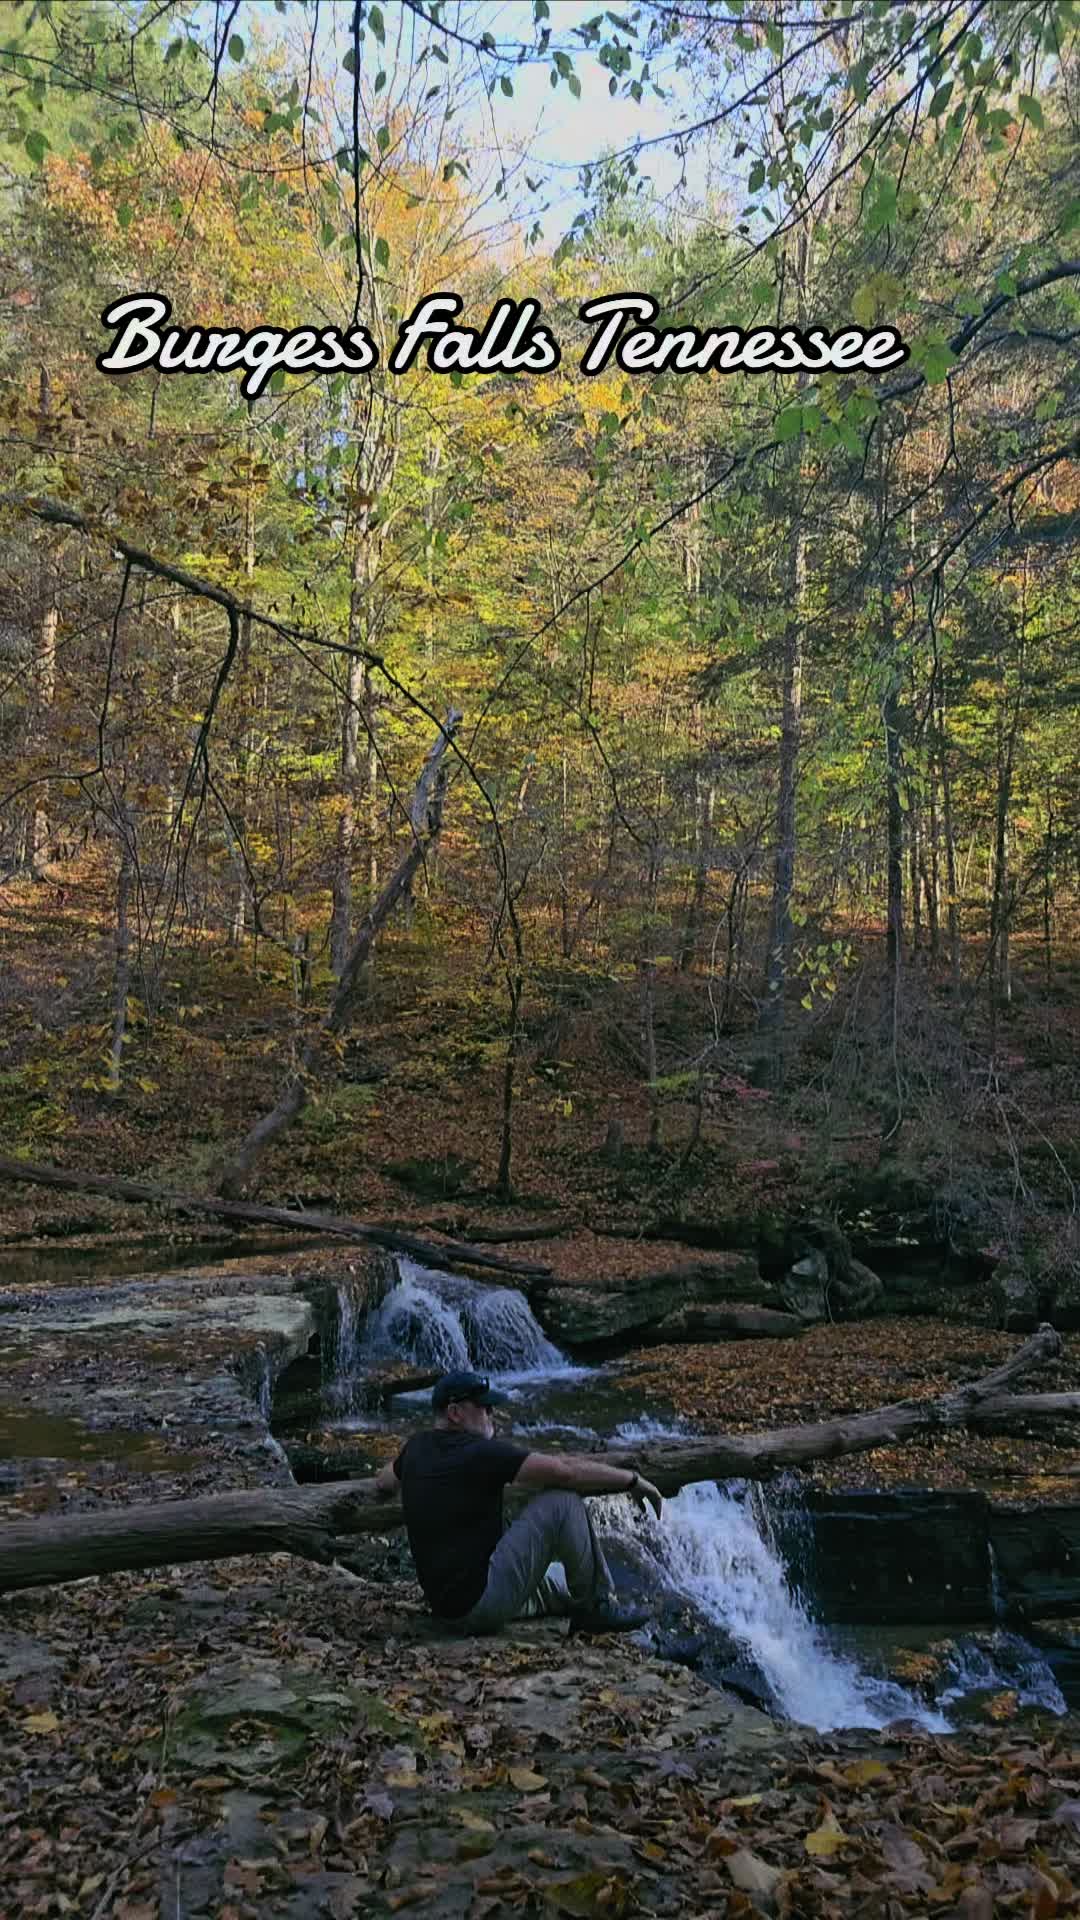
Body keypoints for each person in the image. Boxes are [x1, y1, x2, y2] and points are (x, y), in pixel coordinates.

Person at [373, 1368, 663, 1634]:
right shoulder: (480, 1453)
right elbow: (566, 1471)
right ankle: (598, 1609)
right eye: (485, 1407)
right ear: (455, 1412)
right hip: (478, 1605)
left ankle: (614, 1617)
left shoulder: (415, 1448)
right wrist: (632, 1480)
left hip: (447, 1605)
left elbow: (384, 1480)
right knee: (562, 1502)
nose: (492, 1414)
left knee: (559, 1582)